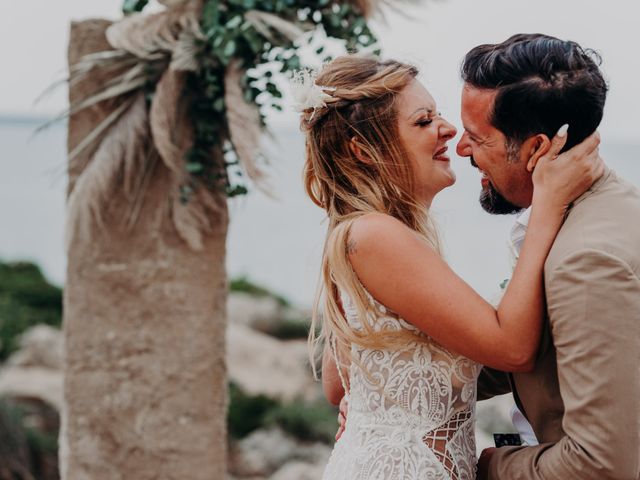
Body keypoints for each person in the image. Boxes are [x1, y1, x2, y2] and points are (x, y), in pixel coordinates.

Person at [296, 54, 602, 480]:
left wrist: (376, 405)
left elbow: (339, 385)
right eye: (423, 121)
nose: (448, 129)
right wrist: (547, 205)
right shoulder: (375, 236)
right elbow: (511, 348)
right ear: (364, 151)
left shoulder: (363, 234)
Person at [454, 34, 640, 480]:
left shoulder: (588, 260)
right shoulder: (604, 211)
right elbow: (543, 359)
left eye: (477, 137)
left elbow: (603, 464)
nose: (461, 148)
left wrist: (487, 466)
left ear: (537, 149)